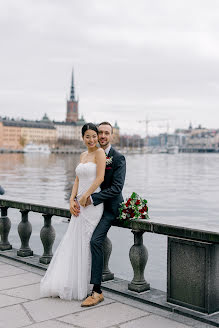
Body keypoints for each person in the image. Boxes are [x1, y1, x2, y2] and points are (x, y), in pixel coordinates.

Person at [40, 123, 106, 300]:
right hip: (79, 204)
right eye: (88, 136)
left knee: (87, 242)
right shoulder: (83, 154)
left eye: (94, 136)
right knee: (74, 240)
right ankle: (74, 282)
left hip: (92, 205)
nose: (91, 139)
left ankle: (88, 286)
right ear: (83, 138)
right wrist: (72, 199)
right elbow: (77, 179)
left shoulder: (100, 153)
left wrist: (87, 195)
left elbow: (100, 177)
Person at [72, 122, 126, 307]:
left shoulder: (118, 158)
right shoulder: (93, 154)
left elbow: (117, 188)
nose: (102, 136)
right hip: (89, 207)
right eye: (99, 132)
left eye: (106, 133)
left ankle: (97, 291)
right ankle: (81, 281)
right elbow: (81, 179)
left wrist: (92, 198)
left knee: (95, 241)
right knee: (82, 240)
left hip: (109, 208)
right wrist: (73, 200)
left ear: (111, 135)